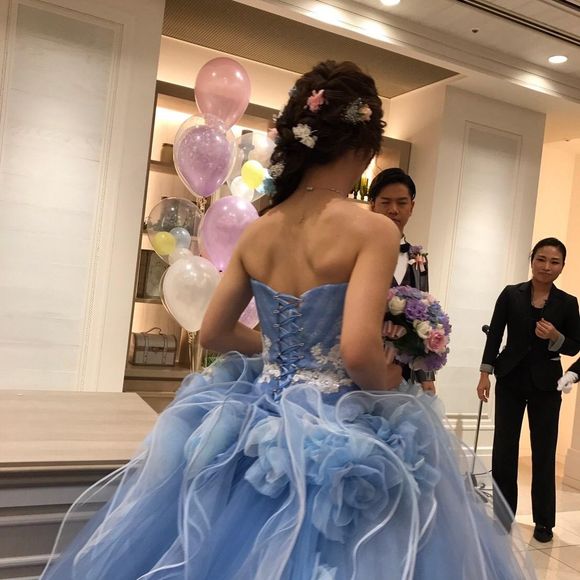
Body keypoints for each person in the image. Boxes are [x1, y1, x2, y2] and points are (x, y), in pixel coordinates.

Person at [42, 61, 534, 580]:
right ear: (363, 147)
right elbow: (358, 353)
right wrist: (392, 378)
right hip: (342, 429)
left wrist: (280, 356)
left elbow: (213, 332)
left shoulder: (260, 228)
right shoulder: (372, 230)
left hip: (257, 420)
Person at [477, 237, 580, 543]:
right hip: (509, 379)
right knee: (504, 450)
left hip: (546, 385)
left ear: (562, 266)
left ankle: (544, 521)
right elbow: (495, 334)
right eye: (541, 259)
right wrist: (485, 374)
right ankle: (502, 515)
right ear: (532, 260)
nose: (547, 266)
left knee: (544, 453)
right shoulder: (511, 294)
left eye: (554, 262)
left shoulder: (568, 302)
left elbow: (575, 346)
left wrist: (556, 337)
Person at [369, 168, 436, 394]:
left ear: (412, 207)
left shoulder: (419, 259)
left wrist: (427, 375)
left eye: (401, 203)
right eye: (385, 202)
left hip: (406, 369)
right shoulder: (358, 253)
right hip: (366, 363)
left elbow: (426, 316)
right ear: (372, 205)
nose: (393, 210)